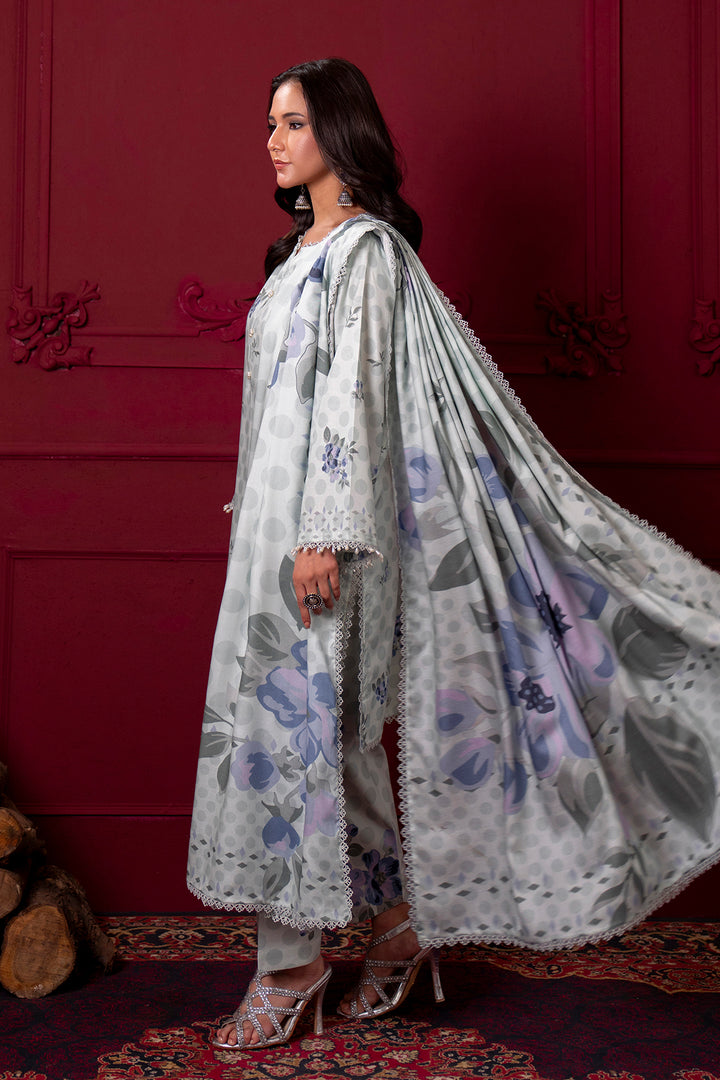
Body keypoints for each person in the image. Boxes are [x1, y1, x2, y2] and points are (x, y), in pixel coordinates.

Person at [187, 58, 720, 1053]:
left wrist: (321, 533)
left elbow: (354, 399)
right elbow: (282, 405)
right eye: (270, 123)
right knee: (337, 740)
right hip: (273, 528)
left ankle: (289, 965)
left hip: (328, 535)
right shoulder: (298, 255)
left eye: (293, 122)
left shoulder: (365, 253)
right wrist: (266, 523)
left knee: (295, 736)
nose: (273, 140)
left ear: (340, 132)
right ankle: (396, 932)